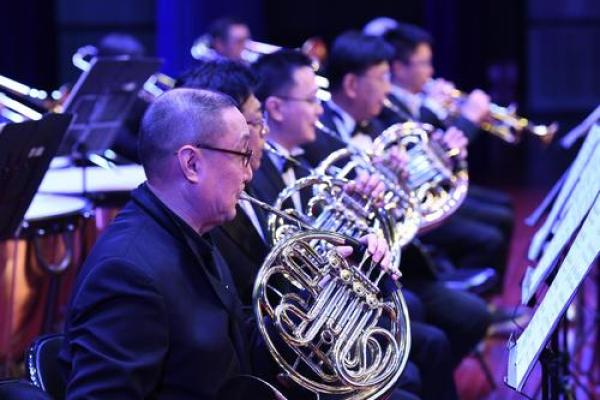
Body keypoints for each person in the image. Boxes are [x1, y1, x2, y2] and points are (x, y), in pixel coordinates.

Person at [253, 48, 463, 400]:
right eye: (311, 100)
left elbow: (327, 233)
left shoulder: (311, 154)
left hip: (334, 299)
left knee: (426, 345)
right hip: (298, 321)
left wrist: (362, 210)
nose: (320, 109)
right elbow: (286, 259)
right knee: (417, 359)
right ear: (275, 108)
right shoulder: (258, 178)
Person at [381, 23, 514, 277]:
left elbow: (445, 141)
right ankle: (470, 288)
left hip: (439, 189)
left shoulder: (416, 98)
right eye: (424, 63)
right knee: (493, 233)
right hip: (420, 204)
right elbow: (427, 155)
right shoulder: (388, 105)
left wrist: (446, 114)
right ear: (398, 67)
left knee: (504, 209)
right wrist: (468, 117)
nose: (430, 71)